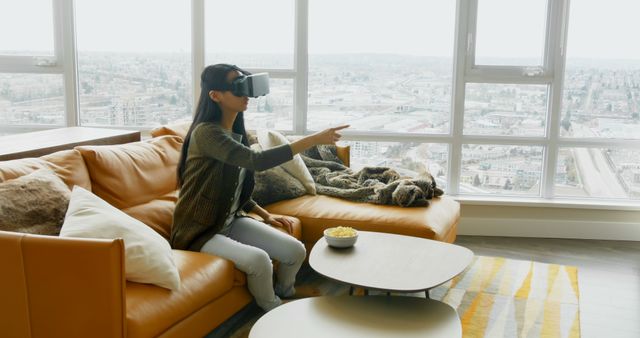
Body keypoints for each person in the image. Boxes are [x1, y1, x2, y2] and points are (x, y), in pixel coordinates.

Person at [170, 63, 348, 311]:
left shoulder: (236, 132)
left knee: (295, 250)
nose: (245, 95)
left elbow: (234, 187)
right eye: (237, 88)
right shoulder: (206, 134)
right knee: (259, 260)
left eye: (245, 86)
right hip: (200, 230)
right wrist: (313, 139)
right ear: (215, 95)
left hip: (230, 221)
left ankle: (284, 293)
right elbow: (257, 161)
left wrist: (265, 214)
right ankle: (274, 310)